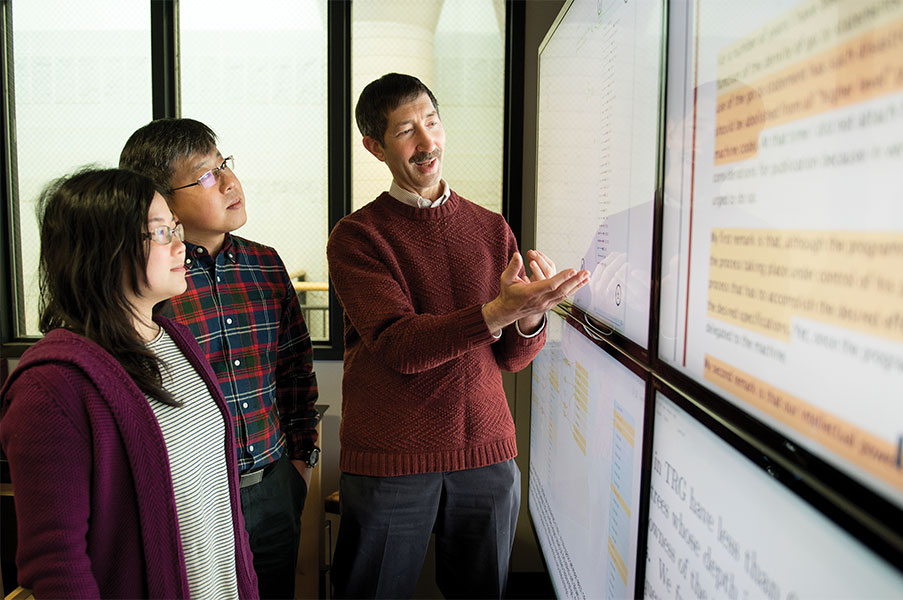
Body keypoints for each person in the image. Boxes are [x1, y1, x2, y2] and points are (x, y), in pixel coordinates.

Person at [326, 72, 590, 599]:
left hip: (487, 457)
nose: (427, 143)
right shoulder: (357, 236)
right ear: (374, 147)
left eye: (432, 122)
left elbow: (511, 358)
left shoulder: (491, 227)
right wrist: (496, 311)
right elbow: (399, 344)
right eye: (406, 131)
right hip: (390, 459)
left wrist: (531, 316)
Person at [0, 168, 258, 599]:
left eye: (174, 228)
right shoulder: (53, 386)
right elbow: (56, 562)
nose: (181, 247)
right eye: (160, 233)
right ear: (105, 250)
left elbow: (217, 497)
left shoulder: (176, 339)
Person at [119, 119, 320, 600]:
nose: (230, 182)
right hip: (194, 498)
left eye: (224, 164)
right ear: (161, 199)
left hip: (274, 485)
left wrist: (300, 463)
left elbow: (294, 371)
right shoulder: (147, 280)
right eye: (206, 174)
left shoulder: (265, 263)